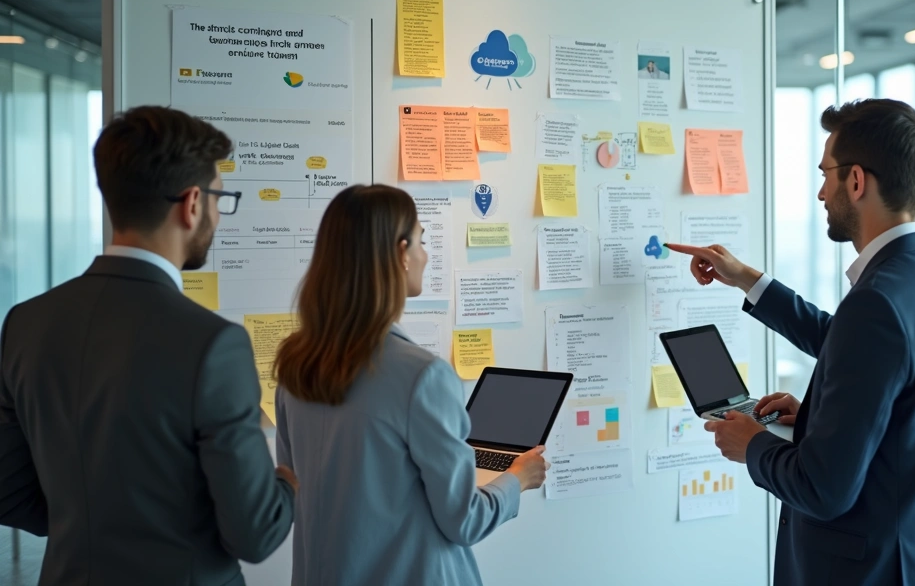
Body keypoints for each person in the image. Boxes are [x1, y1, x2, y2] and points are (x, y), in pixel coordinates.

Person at [667, 98, 915, 585]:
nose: (820, 192)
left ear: (856, 181)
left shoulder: (877, 302)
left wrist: (752, 444)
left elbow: (823, 490)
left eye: (826, 174)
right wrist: (749, 280)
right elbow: (866, 363)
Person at [0, 106, 296, 584]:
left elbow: (7, 490)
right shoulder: (213, 344)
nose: (219, 215)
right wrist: (287, 484)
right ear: (193, 203)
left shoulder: (25, 323)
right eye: (220, 198)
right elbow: (255, 533)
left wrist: (90, 528)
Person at [274, 185, 548, 586]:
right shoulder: (423, 376)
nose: (426, 254)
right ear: (401, 254)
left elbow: (297, 489)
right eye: (422, 241)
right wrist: (518, 477)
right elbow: (465, 521)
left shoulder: (296, 366)